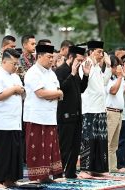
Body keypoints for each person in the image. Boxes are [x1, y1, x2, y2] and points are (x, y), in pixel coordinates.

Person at [23, 44, 63, 182]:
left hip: (50, 116)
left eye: (52, 57)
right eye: (49, 56)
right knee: (37, 148)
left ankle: (47, 174)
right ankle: (37, 176)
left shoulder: (51, 73)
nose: (52, 60)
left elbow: (58, 91)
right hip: (36, 116)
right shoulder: (33, 72)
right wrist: (57, 93)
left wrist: (56, 93)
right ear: (39, 56)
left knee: (49, 147)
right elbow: (41, 93)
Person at [0, 49, 24, 189]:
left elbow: (21, 90)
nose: (15, 66)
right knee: (2, 153)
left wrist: (18, 90)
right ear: (4, 61)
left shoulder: (15, 76)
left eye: (17, 63)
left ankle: (10, 178)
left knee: (14, 152)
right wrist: (15, 90)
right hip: (2, 121)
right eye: (13, 63)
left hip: (15, 120)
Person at [55, 45, 90, 178]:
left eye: (82, 61)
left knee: (75, 147)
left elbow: (81, 89)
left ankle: (70, 172)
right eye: (79, 60)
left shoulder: (75, 71)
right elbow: (61, 89)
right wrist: (72, 74)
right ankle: (58, 173)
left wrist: (85, 75)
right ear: (71, 57)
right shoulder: (61, 70)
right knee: (64, 146)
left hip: (76, 115)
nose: (80, 63)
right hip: (65, 115)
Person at [79, 40, 112, 178]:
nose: (101, 55)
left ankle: (97, 169)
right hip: (89, 108)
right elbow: (83, 84)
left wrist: (109, 66)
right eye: (99, 52)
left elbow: (103, 83)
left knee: (100, 140)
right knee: (88, 140)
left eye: (102, 52)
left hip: (100, 108)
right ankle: (84, 170)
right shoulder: (86, 65)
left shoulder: (98, 67)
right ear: (91, 52)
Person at [106, 55, 125, 172]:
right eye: (114, 66)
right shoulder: (108, 79)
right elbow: (113, 91)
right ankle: (107, 167)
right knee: (109, 141)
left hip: (119, 112)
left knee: (114, 143)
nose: (117, 69)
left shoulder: (117, 78)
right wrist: (120, 77)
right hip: (110, 112)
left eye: (117, 66)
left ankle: (113, 167)